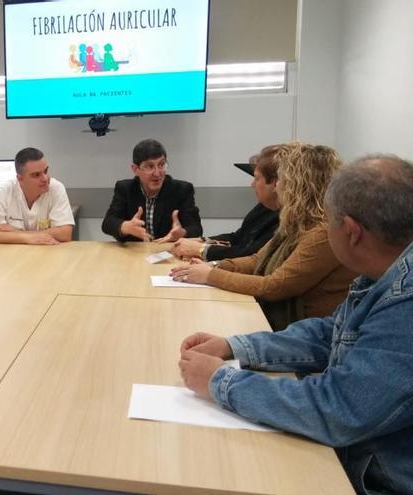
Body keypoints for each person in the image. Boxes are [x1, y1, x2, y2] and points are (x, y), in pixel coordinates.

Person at [178, 154, 413, 494]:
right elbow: (329, 332)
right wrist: (235, 346)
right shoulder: (384, 273)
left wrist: (221, 380)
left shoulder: (405, 303)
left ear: (350, 232)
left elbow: (338, 409)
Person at [171, 142, 357, 329]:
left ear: (297, 186)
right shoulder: (297, 224)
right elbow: (256, 260)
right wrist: (213, 266)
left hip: (307, 337)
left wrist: (211, 275)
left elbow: (275, 287)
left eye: (281, 180)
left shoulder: (322, 232)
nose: (277, 188)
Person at [172, 146, 280, 261]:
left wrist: (202, 250)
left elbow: (250, 254)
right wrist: (202, 240)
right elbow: (238, 237)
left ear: (275, 183)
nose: (252, 184)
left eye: (256, 178)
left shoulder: (286, 219)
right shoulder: (265, 206)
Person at [102, 138, 202, 243]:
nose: (157, 173)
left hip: (169, 251)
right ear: (135, 169)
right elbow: (108, 223)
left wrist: (183, 233)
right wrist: (125, 227)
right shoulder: (125, 189)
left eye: (161, 165)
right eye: (150, 166)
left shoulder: (182, 190)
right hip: (135, 252)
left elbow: (196, 228)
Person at [0, 147, 75, 245]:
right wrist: (26, 238)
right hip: (12, 255)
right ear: (20, 178)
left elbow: (65, 233)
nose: (45, 179)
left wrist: (17, 233)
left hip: (48, 252)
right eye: (37, 175)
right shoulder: (5, 190)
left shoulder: (56, 188)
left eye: (45, 171)